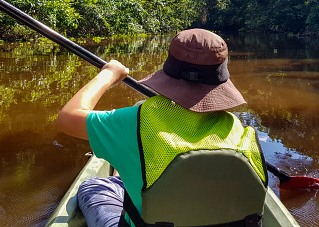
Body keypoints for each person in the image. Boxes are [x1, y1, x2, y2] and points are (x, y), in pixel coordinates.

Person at [57, 28, 268, 227]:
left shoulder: (136, 121)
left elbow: (67, 118)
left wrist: (108, 74)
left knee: (94, 186)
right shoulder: (240, 131)